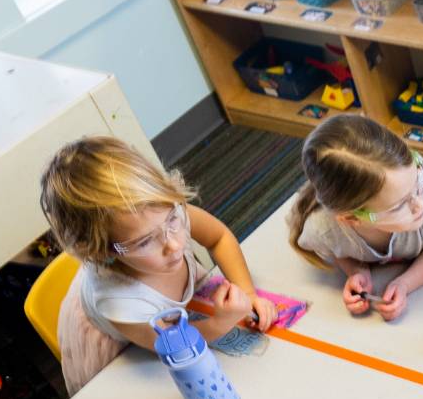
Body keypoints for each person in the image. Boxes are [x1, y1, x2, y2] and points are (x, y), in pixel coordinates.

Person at [39, 137, 274, 352]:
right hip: (126, 335)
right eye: (144, 242)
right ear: (104, 251)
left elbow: (219, 237)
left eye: (172, 219)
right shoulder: (118, 300)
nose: (173, 245)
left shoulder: (159, 214)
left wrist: (247, 291)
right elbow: (171, 345)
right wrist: (219, 324)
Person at [285, 114, 423, 320]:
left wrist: (404, 283)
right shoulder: (322, 229)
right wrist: (357, 271)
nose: (417, 204)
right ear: (351, 218)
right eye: (399, 206)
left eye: (417, 177)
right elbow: (338, 246)